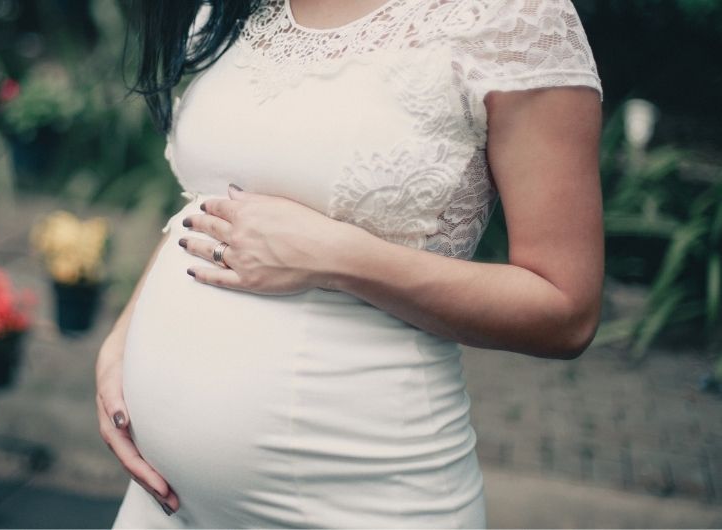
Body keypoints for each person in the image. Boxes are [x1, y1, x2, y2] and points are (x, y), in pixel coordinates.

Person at [96, 0, 603, 526]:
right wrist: (121, 341)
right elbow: (203, 201)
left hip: (357, 499)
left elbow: (566, 313)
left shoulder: (518, 20)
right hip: (164, 508)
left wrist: (337, 256)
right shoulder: (237, 8)